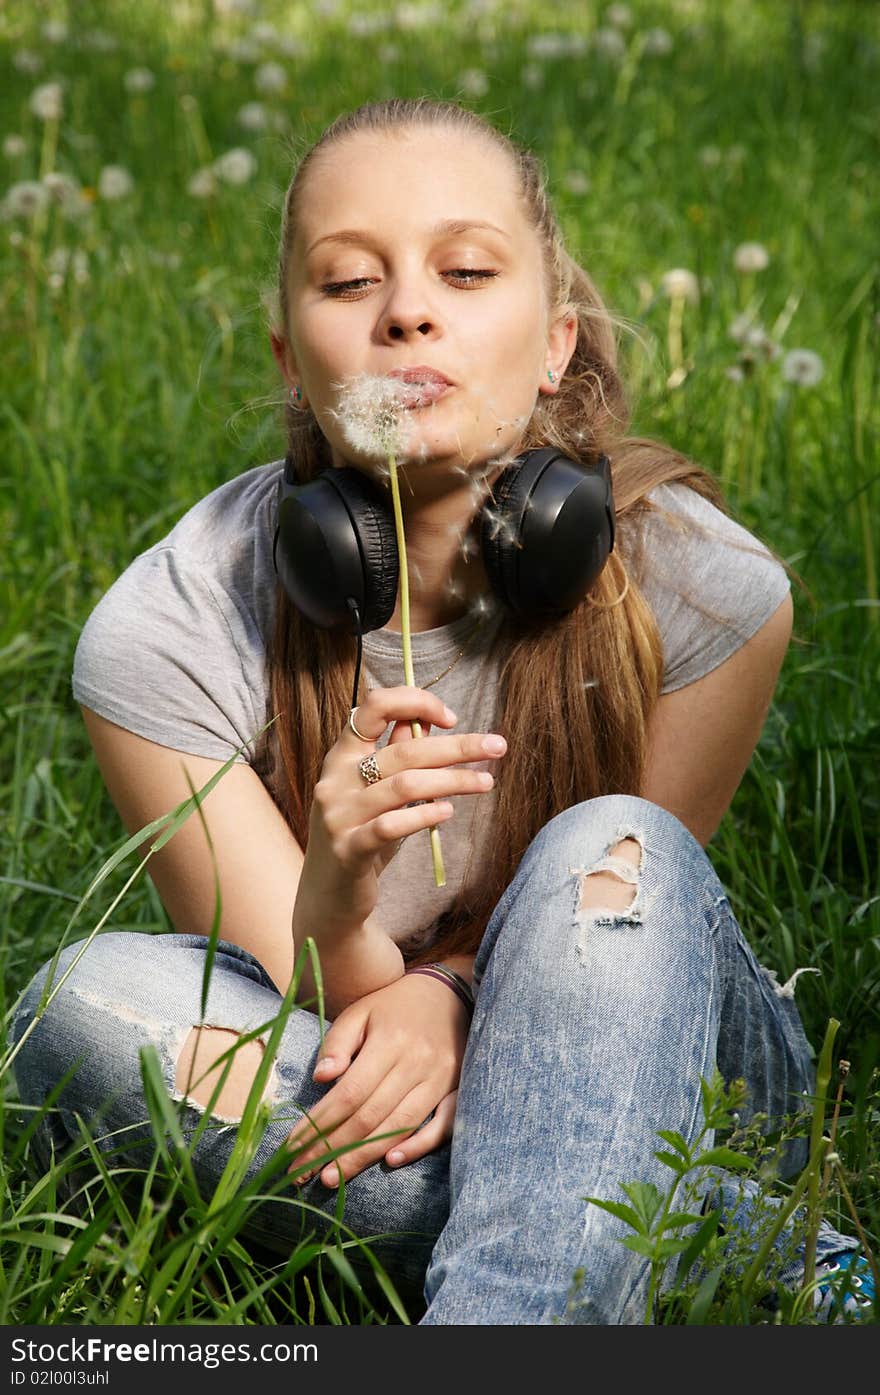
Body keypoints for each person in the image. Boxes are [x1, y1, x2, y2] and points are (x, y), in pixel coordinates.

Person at [10, 98, 871, 1325]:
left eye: (464, 271)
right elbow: (326, 1020)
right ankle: (742, 1243)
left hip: (669, 1051)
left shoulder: (708, 592)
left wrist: (452, 987)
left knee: (599, 849)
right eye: (348, 279)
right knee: (87, 1011)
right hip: (348, 1058)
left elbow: (632, 941)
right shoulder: (164, 631)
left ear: (555, 343)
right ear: (288, 359)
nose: (407, 309)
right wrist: (338, 896)